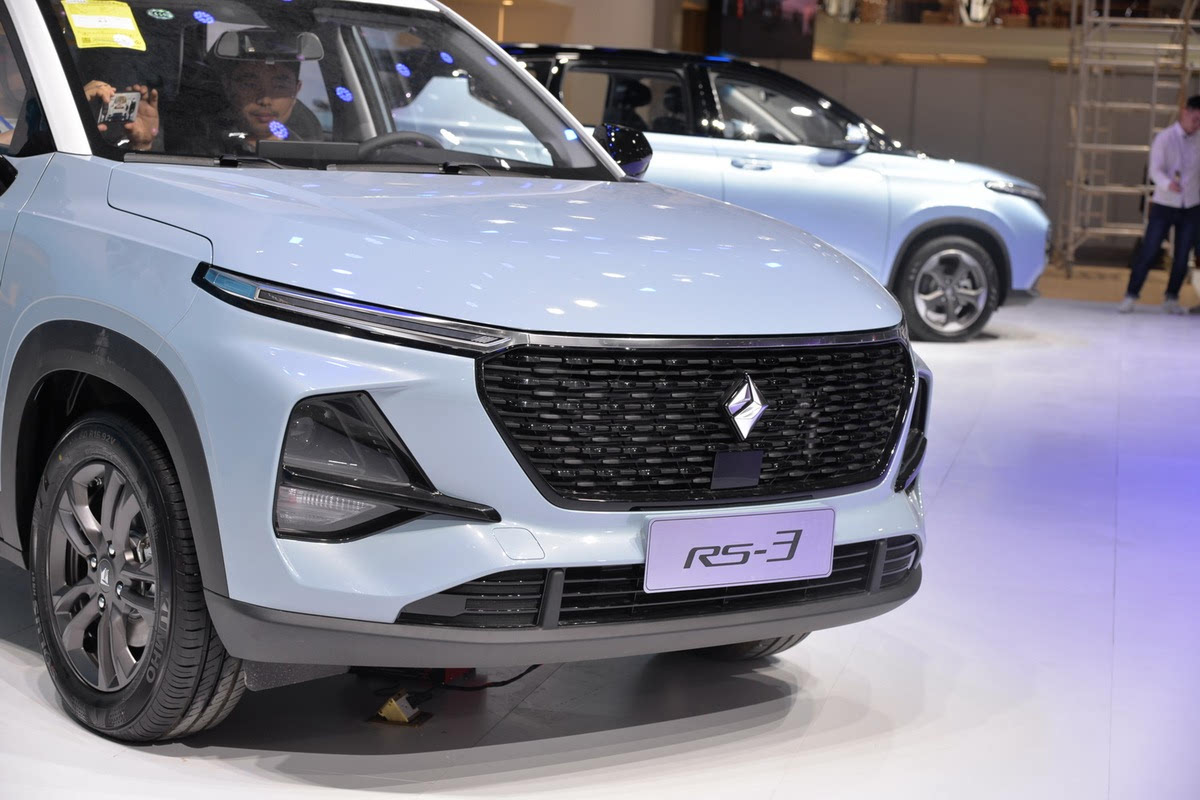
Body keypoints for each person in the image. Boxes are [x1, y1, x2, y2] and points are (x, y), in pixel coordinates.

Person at [1119, 95, 1200, 314]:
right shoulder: (1165, 138)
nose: (1197, 125)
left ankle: (1171, 297)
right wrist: (1167, 184)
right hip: (1165, 203)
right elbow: (1155, 169)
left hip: (1191, 205)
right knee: (1150, 249)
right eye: (1195, 119)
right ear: (1185, 113)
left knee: (1182, 255)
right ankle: (1131, 295)